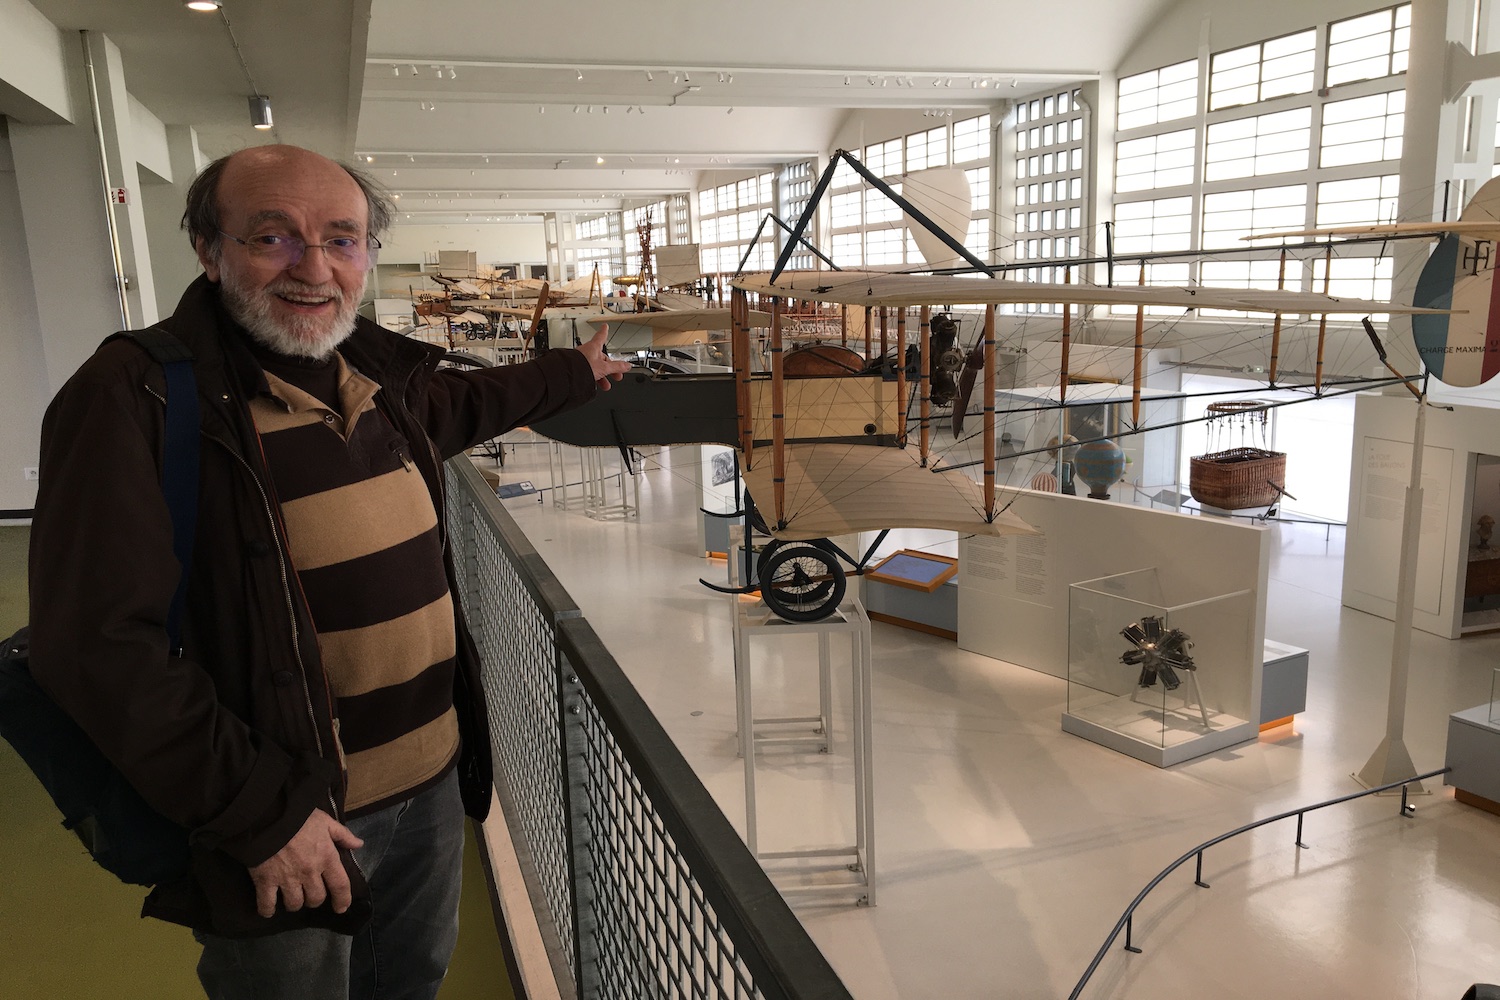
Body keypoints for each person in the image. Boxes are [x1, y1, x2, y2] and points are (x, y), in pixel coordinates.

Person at [26, 144, 631, 999]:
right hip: (288, 817)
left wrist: (577, 372)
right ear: (209, 248)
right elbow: (96, 646)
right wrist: (261, 816)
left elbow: (471, 404)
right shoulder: (138, 395)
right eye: (273, 237)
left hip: (426, 786)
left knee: (408, 982)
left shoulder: (378, 380)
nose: (313, 268)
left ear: (368, 255)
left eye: (341, 240)